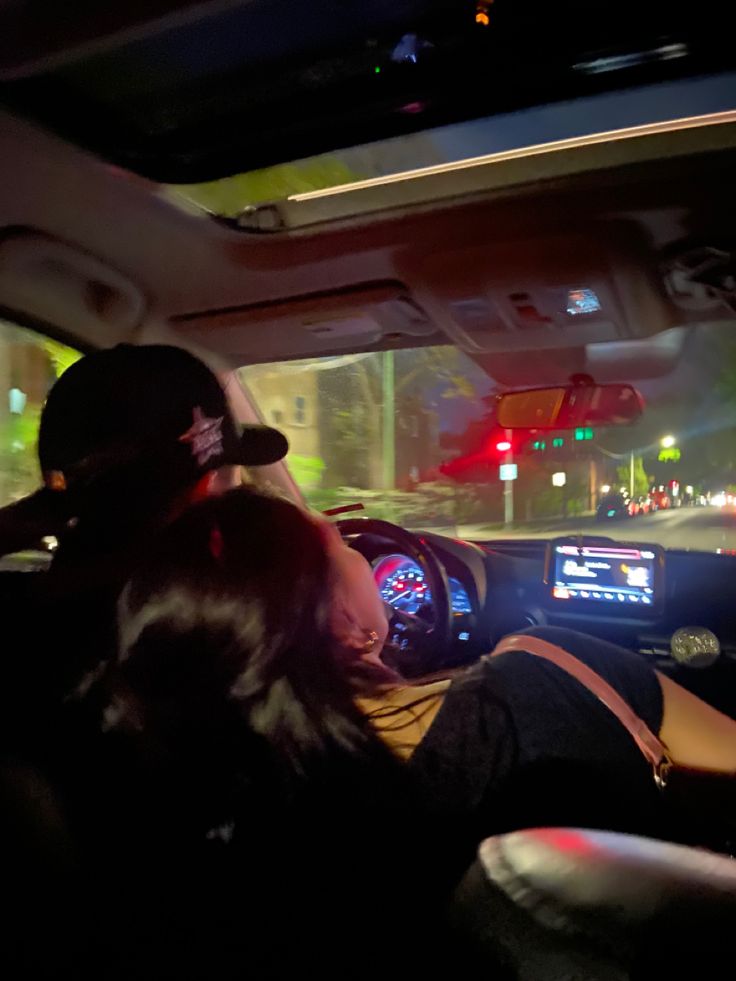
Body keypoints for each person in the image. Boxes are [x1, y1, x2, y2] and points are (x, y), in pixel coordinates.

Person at [108, 488, 736, 869]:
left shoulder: (178, 802)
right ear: (350, 623)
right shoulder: (550, 669)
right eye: (341, 546)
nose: (360, 550)